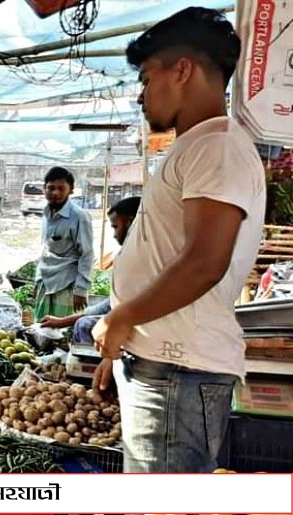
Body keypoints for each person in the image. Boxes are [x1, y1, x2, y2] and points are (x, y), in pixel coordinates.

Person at [91, 7, 265, 473]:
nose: (142, 95)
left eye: (147, 79)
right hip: (165, 366)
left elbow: (205, 261)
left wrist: (124, 316)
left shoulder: (218, 147)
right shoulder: (196, 146)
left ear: (183, 69)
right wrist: (126, 340)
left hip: (178, 372)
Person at [40, 196, 141, 330]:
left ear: (130, 222)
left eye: (116, 226)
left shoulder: (143, 261)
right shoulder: (130, 256)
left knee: (84, 326)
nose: (114, 235)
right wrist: (63, 321)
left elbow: (117, 306)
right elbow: (112, 303)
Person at [34, 167, 94, 320]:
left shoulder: (79, 217)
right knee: (40, 331)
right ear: (44, 189)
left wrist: (81, 290)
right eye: (51, 188)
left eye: (61, 188)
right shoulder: (46, 214)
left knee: (61, 335)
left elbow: (86, 255)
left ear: (71, 190)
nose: (55, 193)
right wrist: (38, 278)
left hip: (67, 286)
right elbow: (44, 249)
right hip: (45, 282)